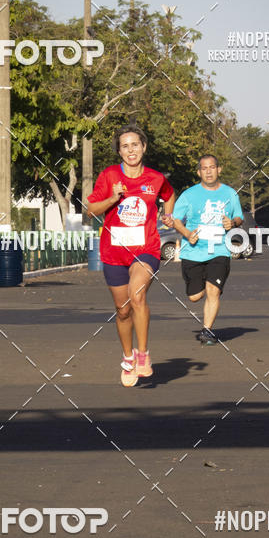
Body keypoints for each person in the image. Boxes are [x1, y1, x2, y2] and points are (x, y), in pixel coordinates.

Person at [87, 124, 175, 386]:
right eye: (125, 146)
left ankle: (143, 355)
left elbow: (169, 196)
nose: (131, 150)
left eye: (135, 144)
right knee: (122, 310)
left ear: (144, 147)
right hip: (114, 252)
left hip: (146, 248)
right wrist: (113, 198)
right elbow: (91, 209)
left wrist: (167, 214)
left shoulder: (156, 178)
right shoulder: (109, 176)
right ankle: (127, 358)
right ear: (119, 151)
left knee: (138, 295)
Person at [172, 155, 243, 344]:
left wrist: (233, 222)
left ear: (219, 170)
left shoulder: (230, 193)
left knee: (213, 290)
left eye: (212, 167)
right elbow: (176, 220)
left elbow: (238, 217)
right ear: (199, 172)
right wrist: (187, 233)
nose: (209, 171)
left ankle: (207, 331)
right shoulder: (189, 195)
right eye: (204, 168)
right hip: (193, 250)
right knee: (195, 296)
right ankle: (200, 281)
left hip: (219, 249)